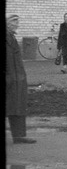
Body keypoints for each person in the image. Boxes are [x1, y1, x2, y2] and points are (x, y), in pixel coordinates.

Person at [6, 15, 36, 144]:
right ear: (7, 24)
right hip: (10, 78)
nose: (17, 25)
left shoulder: (11, 37)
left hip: (16, 78)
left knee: (17, 105)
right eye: (14, 23)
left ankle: (19, 136)